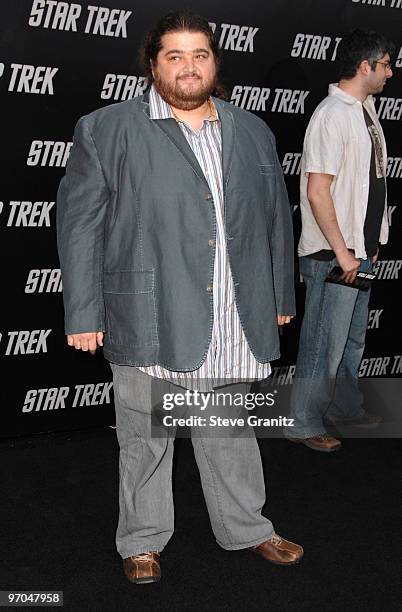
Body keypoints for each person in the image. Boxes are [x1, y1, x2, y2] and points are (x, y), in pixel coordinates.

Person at [57, 11, 302, 584]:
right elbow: (80, 227)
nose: (189, 67)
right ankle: (141, 539)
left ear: (215, 63)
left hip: (231, 314)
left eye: (200, 55)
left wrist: (278, 293)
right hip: (149, 309)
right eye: (175, 55)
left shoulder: (252, 130)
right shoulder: (105, 129)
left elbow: (274, 222)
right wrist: (85, 311)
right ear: (152, 65)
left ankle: (247, 527)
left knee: (231, 432)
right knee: (145, 435)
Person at [284, 29, 394, 452]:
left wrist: (370, 239)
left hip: (357, 251)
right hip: (333, 254)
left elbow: (370, 182)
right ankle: (302, 422)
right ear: (365, 65)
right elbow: (317, 191)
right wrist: (344, 252)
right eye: (385, 64)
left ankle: (345, 406)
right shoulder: (332, 114)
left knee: (350, 338)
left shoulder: (365, 109)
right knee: (322, 341)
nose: (390, 72)